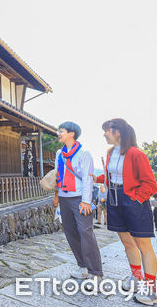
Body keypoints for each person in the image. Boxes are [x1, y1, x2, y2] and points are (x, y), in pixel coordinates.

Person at [93, 118, 157, 305]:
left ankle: (151, 290)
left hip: (133, 200)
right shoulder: (110, 152)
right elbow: (111, 175)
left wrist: (135, 199)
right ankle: (137, 278)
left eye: (107, 130)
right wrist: (96, 177)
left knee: (143, 244)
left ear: (118, 132)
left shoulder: (136, 154)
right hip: (114, 199)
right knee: (127, 241)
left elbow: (151, 184)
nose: (105, 134)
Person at [52, 121, 103, 282]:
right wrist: (56, 196)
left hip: (80, 198)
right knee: (71, 233)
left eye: (62, 131)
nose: (58, 133)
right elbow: (56, 175)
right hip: (64, 197)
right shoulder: (59, 153)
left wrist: (86, 201)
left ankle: (96, 272)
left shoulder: (84, 153)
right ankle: (82, 266)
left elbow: (88, 179)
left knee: (85, 233)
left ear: (72, 134)